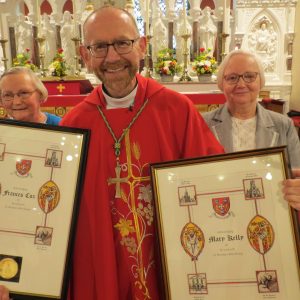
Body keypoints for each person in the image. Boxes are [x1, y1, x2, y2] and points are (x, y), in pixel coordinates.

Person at [61, 6, 223, 300]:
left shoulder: (176, 110)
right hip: (100, 264)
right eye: (99, 47)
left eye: (123, 43)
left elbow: (213, 181)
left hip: (169, 263)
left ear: (142, 46)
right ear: (85, 56)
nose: (112, 57)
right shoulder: (74, 124)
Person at [202, 49, 300, 210]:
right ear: (221, 84)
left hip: (272, 209)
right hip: (220, 212)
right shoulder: (203, 124)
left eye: (249, 76)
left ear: (261, 81)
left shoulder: (284, 125)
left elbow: (296, 172)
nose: (241, 84)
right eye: (232, 78)